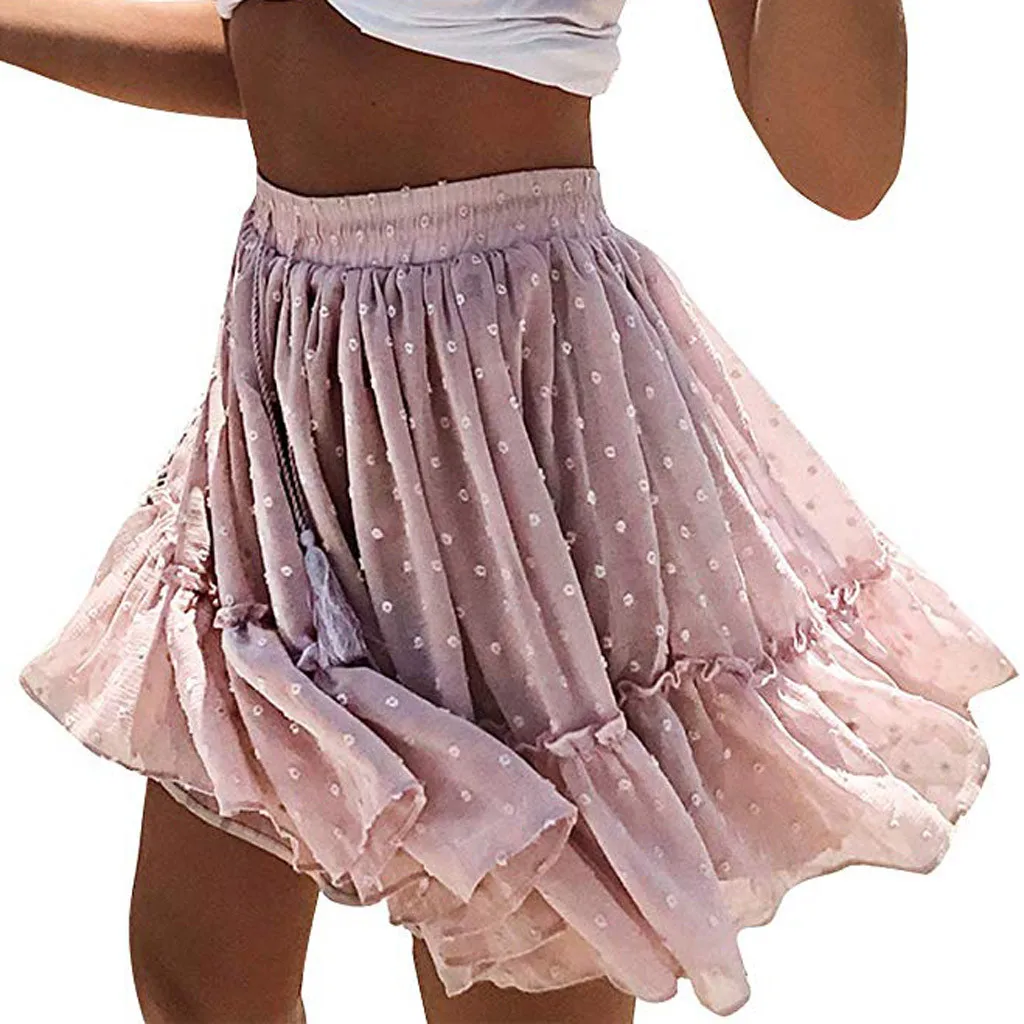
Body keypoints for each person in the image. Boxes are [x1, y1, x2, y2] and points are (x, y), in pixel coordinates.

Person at [5, 3, 1016, 1022]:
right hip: (303, 379)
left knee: (512, 980)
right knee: (200, 981)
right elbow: (279, 47)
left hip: (504, 395)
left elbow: (842, 162)